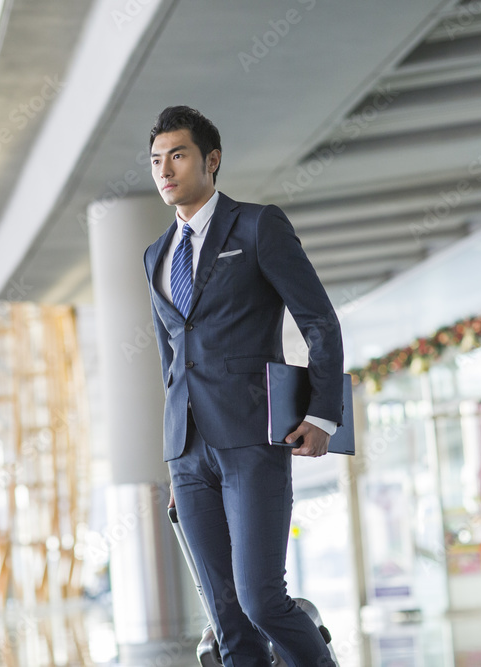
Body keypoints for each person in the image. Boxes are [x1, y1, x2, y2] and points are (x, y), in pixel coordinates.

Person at [142, 106, 343, 666]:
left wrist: (324, 413)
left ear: (212, 160)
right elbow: (170, 358)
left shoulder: (257, 226)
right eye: (157, 160)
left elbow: (318, 320)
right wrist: (173, 447)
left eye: (178, 155)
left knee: (261, 601)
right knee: (228, 624)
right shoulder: (155, 256)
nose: (165, 169)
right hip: (187, 453)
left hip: (252, 438)